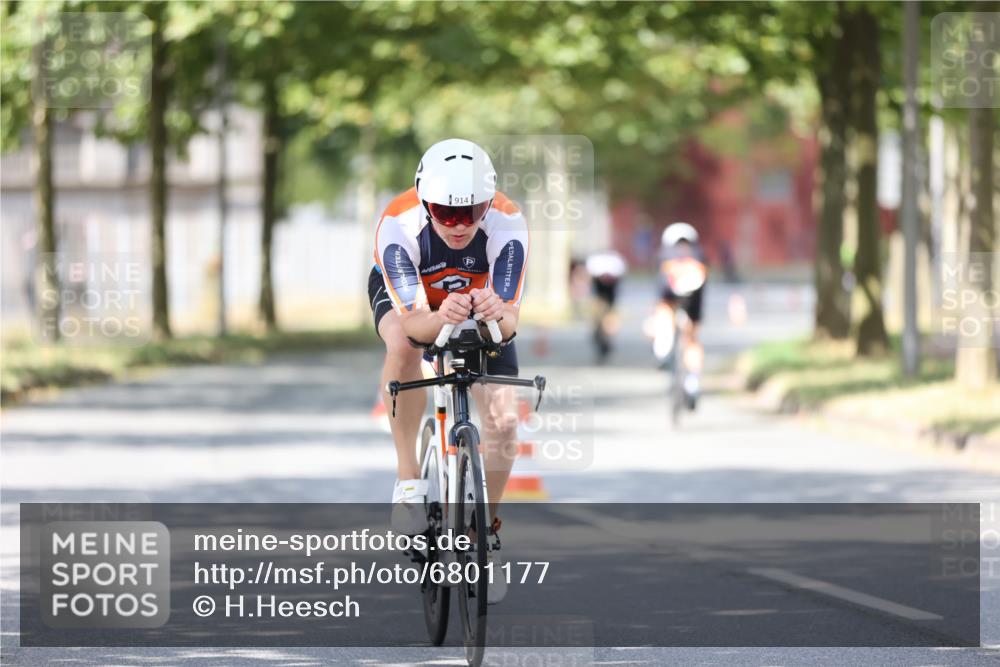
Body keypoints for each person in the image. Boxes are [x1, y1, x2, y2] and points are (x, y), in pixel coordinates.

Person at [369, 138, 529, 603]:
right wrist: (440, 317)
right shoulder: (397, 224)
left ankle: (484, 535)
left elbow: (510, 323)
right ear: (424, 202)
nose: (459, 225)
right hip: (416, 302)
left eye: (471, 212)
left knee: (504, 420)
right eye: (445, 212)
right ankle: (408, 479)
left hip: (480, 301)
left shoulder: (508, 221)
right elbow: (414, 324)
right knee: (402, 343)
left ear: (489, 203)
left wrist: (495, 313)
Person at [654, 222, 707, 408]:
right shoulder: (698, 256)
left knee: (666, 317)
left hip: (677, 299)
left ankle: (664, 352)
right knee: (691, 339)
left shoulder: (665, 256)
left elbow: (661, 291)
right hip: (688, 300)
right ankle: (692, 382)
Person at [584, 249, 626, 363]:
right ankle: (601, 343)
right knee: (598, 323)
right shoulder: (598, 264)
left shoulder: (613, 264)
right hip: (599, 299)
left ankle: (606, 344)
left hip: (609, 300)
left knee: (608, 323)